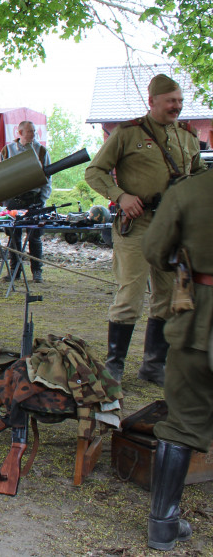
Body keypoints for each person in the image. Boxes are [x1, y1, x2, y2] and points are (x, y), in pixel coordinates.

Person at [84, 74, 205, 385]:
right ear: (152, 102)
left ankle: (153, 365)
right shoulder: (128, 133)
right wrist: (120, 196)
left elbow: (200, 177)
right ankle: (114, 366)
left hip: (172, 228)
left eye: (179, 101)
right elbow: (94, 171)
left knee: (167, 296)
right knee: (131, 295)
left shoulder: (189, 137)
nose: (176, 107)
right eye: (170, 102)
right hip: (136, 225)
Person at [142, 169, 213, 551]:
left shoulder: (190, 191)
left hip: (198, 318)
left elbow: (154, 250)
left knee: (183, 423)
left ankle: (163, 526)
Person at [0, 120, 51, 283]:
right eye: (29, 131)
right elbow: (0, 176)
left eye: (34, 131)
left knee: (34, 237)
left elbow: (47, 177)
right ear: (19, 133)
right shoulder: (7, 151)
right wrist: (5, 202)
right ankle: (15, 271)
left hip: (34, 199)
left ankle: (37, 272)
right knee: (14, 237)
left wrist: (42, 200)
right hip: (14, 200)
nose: (33, 134)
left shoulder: (41, 151)